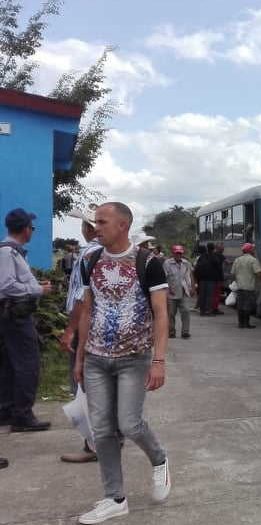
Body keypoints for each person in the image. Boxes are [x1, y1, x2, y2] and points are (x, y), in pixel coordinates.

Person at [74, 202, 171, 524]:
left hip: (134, 359)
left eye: (102, 222)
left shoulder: (149, 262)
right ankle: (114, 498)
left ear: (123, 226)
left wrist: (159, 360)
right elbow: (87, 310)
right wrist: (80, 357)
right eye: (94, 222)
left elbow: (160, 313)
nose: (95, 227)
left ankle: (159, 459)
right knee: (101, 431)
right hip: (96, 359)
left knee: (129, 423)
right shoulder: (90, 260)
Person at [0, 208, 53, 432]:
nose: (32, 231)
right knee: (27, 364)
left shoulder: (14, 252)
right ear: (25, 229)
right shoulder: (7, 253)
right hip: (14, 315)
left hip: (12, 314)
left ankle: (7, 411)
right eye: (32, 227)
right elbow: (6, 286)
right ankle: (22, 415)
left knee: (10, 364)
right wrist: (37, 289)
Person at [59, 206, 103, 463]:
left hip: (85, 326)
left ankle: (93, 445)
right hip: (101, 327)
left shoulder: (88, 253)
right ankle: (108, 439)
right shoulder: (110, 252)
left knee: (84, 386)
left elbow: (80, 298)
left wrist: (70, 331)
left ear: (87, 229)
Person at [163, 245, 193, 339]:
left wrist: (192, 287)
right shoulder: (167, 263)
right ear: (173, 253)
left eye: (180, 253)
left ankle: (185, 332)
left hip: (184, 291)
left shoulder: (186, 263)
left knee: (186, 311)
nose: (178, 255)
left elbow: (190, 275)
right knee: (171, 313)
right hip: (171, 291)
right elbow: (164, 277)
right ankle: (171, 332)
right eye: (177, 253)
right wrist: (167, 289)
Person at [230, 243, 261, 329]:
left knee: (240, 306)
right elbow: (258, 273)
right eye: (252, 249)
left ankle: (241, 323)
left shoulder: (237, 260)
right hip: (249, 287)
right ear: (250, 250)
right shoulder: (253, 260)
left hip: (239, 287)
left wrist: (235, 282)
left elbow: (232, 274)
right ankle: (247, 323)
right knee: (248, 306)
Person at [193, 243, 218, 316]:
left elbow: (197, 267)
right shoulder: (213, 256)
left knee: (202, 295)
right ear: (213, 248)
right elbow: (217, 264)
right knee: (209, 296)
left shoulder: (202, 257)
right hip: (210, 279)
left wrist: (197, 279)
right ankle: (208, 311)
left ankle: (202, 311)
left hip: (202, 279)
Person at [211, 243, 226, 315]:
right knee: (217, 294)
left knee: (214, 294)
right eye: (222, 248)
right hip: (218, 278)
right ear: (218, 248)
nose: (223, 249)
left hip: (212, 277)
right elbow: (227, 262)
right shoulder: (220, 255)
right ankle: (215, 308)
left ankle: (213, 307)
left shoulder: (212, 255)